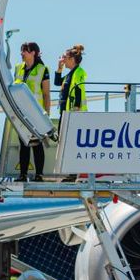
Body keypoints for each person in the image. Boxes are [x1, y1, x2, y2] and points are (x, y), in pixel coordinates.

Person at [13, 41, 51, 181]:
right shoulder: (18, 68)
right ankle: (23, 174)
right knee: (24, 143)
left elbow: (46, 94)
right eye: (21, 51)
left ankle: (39, 175)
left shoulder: (43, 69)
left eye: (25, 51)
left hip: (36, 113)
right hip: (21, 113)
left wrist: (47, 114)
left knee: (37, 144)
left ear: (33, 53)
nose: (22, 53)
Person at [54, 45, 87, 181]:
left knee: (71, 144)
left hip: (74, 113)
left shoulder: (78, 72)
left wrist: (77, 107)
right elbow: (57, 82)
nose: (63, 59)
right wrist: (59, 67)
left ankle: (74, 174)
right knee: (66, 143)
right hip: (66, 113)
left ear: (72, 59)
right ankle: (71, 173)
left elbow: (78, 89)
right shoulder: (69, 74)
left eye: (65, 58)